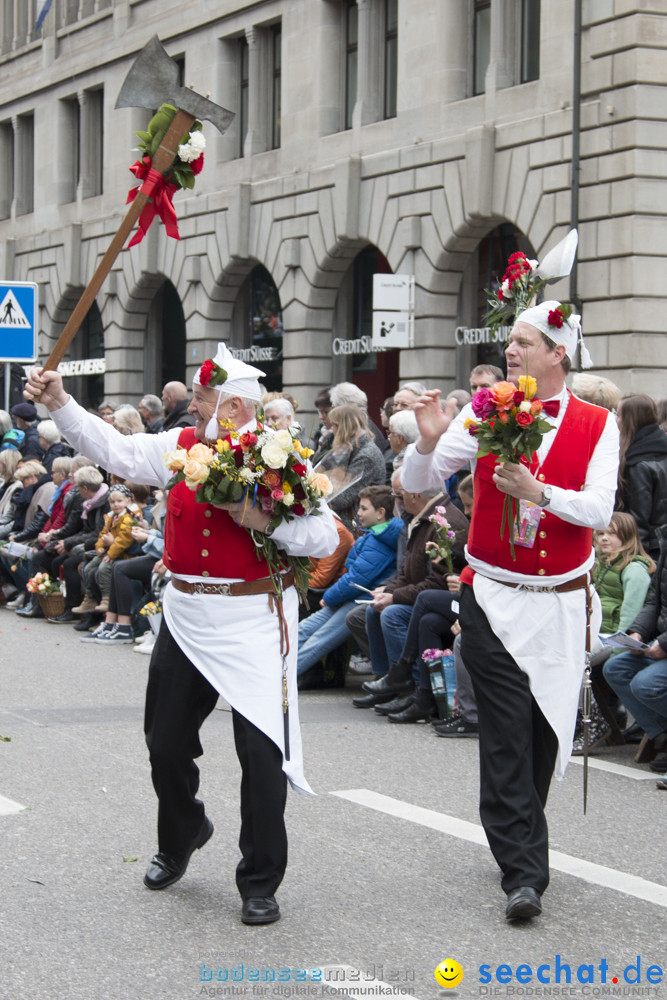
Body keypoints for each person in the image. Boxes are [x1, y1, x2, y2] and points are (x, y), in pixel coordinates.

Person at [25, 343, 337, 927]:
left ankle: (260, 879)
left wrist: (265, 521)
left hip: (253, 619)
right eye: (194, 397)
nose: (192, 407)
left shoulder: (284, 459)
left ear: (237, 408)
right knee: (165, 741)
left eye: (202, 398)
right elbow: (113, 448)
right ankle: (183, 832)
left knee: (261, 755)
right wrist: (62, 402)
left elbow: (324, 538)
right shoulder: (180, 446)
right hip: (189, 615)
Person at [401, 298, 619, 921]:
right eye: (511, 341)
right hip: (492, 593)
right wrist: (428, 438)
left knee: (543, 732)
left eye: (525, 342)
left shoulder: (598, 424)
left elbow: (600, 510)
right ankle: (523, 873)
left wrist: (539, 492)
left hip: (560, 601)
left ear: (559, 353)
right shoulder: (487, 409)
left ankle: (523, 832)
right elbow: (423, 475)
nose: (511, 350)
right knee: (503, 732)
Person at [296, 485, 402, 687]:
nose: (359, 513)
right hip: (350, 597)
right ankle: (276, 672)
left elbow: (356, 579)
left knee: (318, 640)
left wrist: (329, 597)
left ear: (380, 513)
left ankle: (282, 680)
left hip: (360, 598)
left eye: (364, 508)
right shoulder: (375, 536)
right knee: (304, 630)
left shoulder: (379, 541)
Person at [571, 511, 655, 753]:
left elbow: (631, 616)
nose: (604, 539)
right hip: (596, 633)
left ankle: (592, 722)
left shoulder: (634, 570)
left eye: (612, 534)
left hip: (616, 638)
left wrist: (619, 649)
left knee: (575, 660)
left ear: (628, 537)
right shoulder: (600, 564)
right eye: (600, 534)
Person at [603, 523, 667, 766]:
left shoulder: (634, 568)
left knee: (646, 684)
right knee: (615, 669)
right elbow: (655, 603)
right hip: (657, 639)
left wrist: (663, 643)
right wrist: (638, 634)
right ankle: (661, 735)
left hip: (663, 642)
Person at [315, 405, 386, 535]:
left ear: (343, 428)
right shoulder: (350, 449)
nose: (332, 431)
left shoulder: (366, 455)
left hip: (357, 526)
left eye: (334, 426)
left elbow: (343, 497)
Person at [615, 393, 667, 562]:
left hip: (650, 551)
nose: (616, 419)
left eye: (619, 414)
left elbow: (639, 520)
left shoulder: (638, 462)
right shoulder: (659, 447)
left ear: (631, 419)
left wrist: (638, 561)